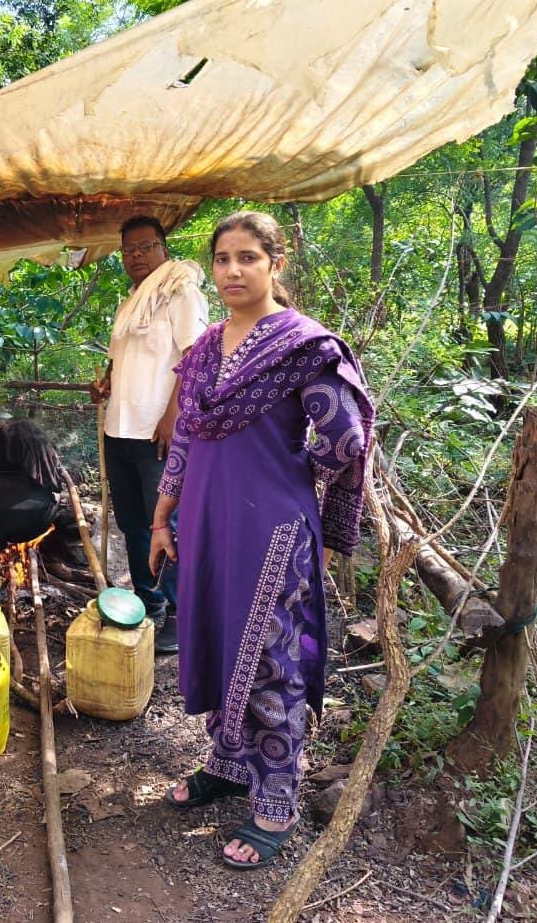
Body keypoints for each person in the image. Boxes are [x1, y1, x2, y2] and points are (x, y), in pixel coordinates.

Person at [150, 211, 372, 869]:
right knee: (222, 642)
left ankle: (277, 799)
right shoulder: (204, 349)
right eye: (222, 259)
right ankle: (227, 763)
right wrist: (162, 517)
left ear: (276, 263)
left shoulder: (303, 347)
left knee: (271, 660)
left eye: (247, 257)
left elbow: (346, 438)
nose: (232, 270)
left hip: (271, 529)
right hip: (205, 523)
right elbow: (185, 438)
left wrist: (291, 480)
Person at [91, 216, 209, 654]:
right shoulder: (131, 302)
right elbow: (120, 357)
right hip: (119, 427)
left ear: (164, 248)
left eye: (146, 246)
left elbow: (196, 358)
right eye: (128, 249)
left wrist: (174, 414)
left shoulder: (181, 291)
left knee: (168, 522)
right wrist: (106, 383)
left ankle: (181, 611)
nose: (136, 255)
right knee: (133, 521)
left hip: (158, 431)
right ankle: (149, 600)